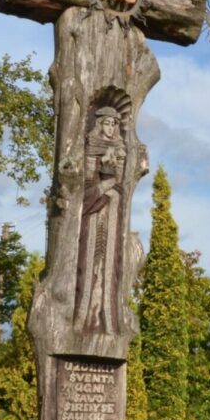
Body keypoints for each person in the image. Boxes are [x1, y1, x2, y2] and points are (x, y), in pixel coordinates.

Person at [75, 106, 126, 333]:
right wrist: (106, 182)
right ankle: (82, 319)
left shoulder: (120, 149)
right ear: (99, 124)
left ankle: (107, 320)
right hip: (93, 216)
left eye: (114, 124)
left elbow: (121, 185)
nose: (111, 128)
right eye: (107, 123)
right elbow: (86, 190)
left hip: (112, 216)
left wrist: (112, 181)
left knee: (109, 269)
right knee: (87, 266)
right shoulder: (92, 145)